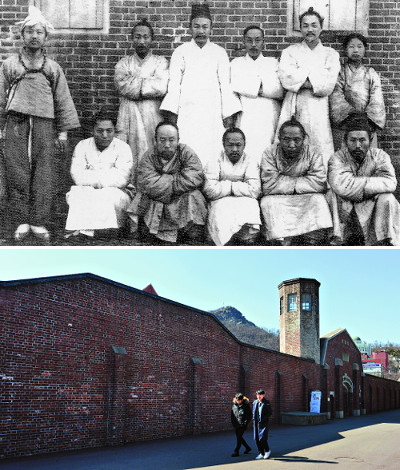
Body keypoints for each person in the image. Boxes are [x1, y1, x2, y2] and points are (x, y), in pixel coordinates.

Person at [0, 5, 80, 243]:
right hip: (16, 124)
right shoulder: (9, 65)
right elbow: (1, 98)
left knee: (44, 173)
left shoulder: (52, 68)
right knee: (17, 173)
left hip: (46, 126)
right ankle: (21, 220)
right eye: (30, 32)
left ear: (45, 37)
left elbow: (62, 101)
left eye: (39, 32)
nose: (34, 36)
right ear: (22, 35)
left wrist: (63, 133)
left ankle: (38, 221)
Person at [160, 3, 240, 167]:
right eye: (196, 26)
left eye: (205, 27)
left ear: (211, 29)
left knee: (212, 149)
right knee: (189, 148)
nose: (201, 31)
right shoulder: (181, 52)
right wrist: (173, 113)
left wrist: (228, 114)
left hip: (212, 111)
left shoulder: (219, 52)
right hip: (188, 111)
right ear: (190, 28)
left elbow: (225, 85)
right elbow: (174, 84)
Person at [277, 7, 340, 168]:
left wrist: (301, 77)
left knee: (319, 144)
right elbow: (286, 79)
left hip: (319, 107)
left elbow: (327, 85)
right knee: (293, 143)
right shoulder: (290, 52)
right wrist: (314, 78)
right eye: (305, 25)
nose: (309, 30)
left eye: (314, 25)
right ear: (300, 28)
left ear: (321, 27)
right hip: (295, 104)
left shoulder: (330, 54)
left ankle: (320, 182)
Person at [127, 122, 207, 245]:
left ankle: (186, 231)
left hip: (180, 198)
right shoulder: (149, 156)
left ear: (178, 140)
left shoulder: (186, 152)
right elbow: (147, 182)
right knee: (143, 195)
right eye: (162, 140)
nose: (167, 145)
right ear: (155, 140)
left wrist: (164, 183)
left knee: (195, 195)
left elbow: (194, 176)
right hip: (158, 198)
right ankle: (152, 232)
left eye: (171, 140)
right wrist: (174, 182)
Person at [328, 114, 400, 246]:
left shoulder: (380, 156)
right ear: (345, 140)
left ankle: (385, 240)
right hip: (346, 207)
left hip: (371, 206)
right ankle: (338, 240)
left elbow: (390, 182)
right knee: (330, 194)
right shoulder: (337, 158)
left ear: (370, 140)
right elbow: (341, 186)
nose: (357, 145)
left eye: (362, 140)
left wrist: (355, 185)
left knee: (388, 197)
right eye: (352, 140)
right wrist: (373, 186)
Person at [260, 117, 332, 246]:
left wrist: (284, 182)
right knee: (267, 202)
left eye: (297, 140)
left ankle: (312, 240)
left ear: (304, 139)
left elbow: (319, 183)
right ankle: (281, 242)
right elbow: (269, 185)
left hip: (306, 197)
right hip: (279, 198)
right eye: (286, 140)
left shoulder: (313, 152)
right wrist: (303, 182)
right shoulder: (270, 152)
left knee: (318, 200)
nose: (291, 144)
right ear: (279, 139)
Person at [65, 110, 133, 240]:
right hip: (87, 190)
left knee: (107, 195)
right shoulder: (82, 146)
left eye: (109, 130)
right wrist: (107, 175)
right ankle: (93, 231)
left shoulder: (123, 147)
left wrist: (91, 174)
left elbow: (122, 179)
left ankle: (92, 231)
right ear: (93, 130)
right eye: (100, 131)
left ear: (114, 131)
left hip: (117, 193)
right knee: (76, 193)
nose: (105, 135)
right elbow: (77, 176)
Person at [114, 18, 169, 180]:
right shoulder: (123, 63)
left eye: (146, 37)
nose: (142, 41)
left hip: (152, 114)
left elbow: (161, 86)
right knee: (128, 153)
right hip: (128, 114)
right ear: (132, 39)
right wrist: (147, 83)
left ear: (152, 39)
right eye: (137, 37)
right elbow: (122, 84)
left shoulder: (160, 62)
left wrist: (134, 83)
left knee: (152, 151)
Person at [230, 25, 283, 164]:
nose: (253, 45)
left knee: (267, 152)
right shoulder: (236, 64)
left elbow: (279, 90)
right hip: (246, 114)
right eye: (249, 40)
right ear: (244, 42)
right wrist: (263, 87)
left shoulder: (273, 63)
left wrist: (249, 88)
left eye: (258, 40)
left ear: (263, 42)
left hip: (268, 115)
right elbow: (234, 84)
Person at [203, 128, 261, 246]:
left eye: (238, 145)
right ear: (223, 145)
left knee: (250, 207)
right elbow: (210, 190)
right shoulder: (215, 160)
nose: (234, 149)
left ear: (244, 145)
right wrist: (238, 186)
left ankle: (245, 238)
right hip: (220, 200)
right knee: (220, 210)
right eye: (230, 145)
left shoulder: (250, 161)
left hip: (244, 200)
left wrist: (226, 186)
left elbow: (255, 190)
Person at [330, 33, 386, 150]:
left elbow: (377, 98)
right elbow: (336, 96)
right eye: (351, 46)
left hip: (367, 123)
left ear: (365, 49)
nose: (356, 50)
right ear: (345, 49)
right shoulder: (340, 73)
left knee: (368, 157)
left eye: (359, 46)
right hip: (345, 122)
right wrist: (350, 114)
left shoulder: (371, 73)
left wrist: (367, 118)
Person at [231, 392, 252, 457]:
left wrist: (245, 423)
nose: (238, 401)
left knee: (239, 437)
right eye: (237, 400)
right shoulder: (234, 406)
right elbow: (232, 415)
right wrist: (233, 423)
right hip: (236, 424)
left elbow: (249, 416)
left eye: (239, 400)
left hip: (242, 425)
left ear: (242, 400)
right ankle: (248, 448)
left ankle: (236, 451)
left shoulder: (246, 406)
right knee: (239, 437)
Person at [253, 389, 272, 460]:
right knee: (257, 439)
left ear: (263, 395)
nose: (259, 396)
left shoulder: (266, 403)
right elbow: (254, 412)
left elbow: (270, 412)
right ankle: (261, 453)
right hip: (256, 423)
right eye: (257, 395)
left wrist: (264, 418)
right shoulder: (255, 402)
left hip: (264, 423)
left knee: (262, 438)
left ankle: (267, 451)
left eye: (260, 395)